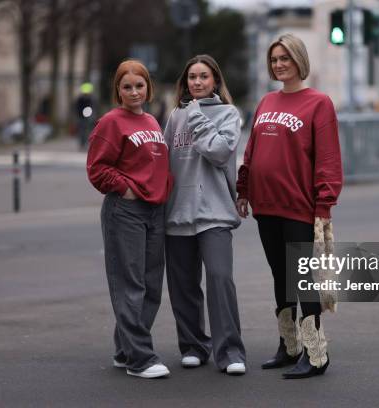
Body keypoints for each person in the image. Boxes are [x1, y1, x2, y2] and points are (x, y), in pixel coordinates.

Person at [236, 34, 343, 379]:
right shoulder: (266, 101)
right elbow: (251, 151)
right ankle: (289, 345)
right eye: (274, 59)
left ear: (299, 60)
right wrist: (243, 188)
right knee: (281, 276)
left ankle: (316, 354)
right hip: (265, 204)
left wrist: (324, 203)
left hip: (299, 204)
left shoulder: (319, 103)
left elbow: (327, 158)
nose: (279, 64)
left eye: (285, 58)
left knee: (302, 279)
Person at [86, 60, 172, 379]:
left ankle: (125, 350)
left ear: (148, 87)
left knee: (150, 286)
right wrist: (126, 190)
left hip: (155, 210)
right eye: (127, 87)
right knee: (130, 284)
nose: (134, 92)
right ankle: (140, 358)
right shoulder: (111, 122)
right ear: (118, 91)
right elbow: (97, 168)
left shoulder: (151, 120)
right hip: (126, 211)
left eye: (140, 86)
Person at [164, 54, 246, 375]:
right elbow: (166, 162)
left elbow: (220, 152)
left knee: (220, 278)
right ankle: (193, 345)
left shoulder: (228, 114)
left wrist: (196, 116)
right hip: (178, 212)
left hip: (215, 213)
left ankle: (230, 352)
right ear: (185, 82)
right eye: (192, 78)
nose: (197, 82)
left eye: (203, 77)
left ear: (215, 81)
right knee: (183, 284)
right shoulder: (174, 117)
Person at [76, 82, 95, 150]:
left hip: (86, 116)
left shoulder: (89, 99)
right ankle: (83, 144)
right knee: (83, 131)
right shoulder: (82, 99)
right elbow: (77, 108)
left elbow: (93, 107)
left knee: (86, 131)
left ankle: (85, 144)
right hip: (82, 116)